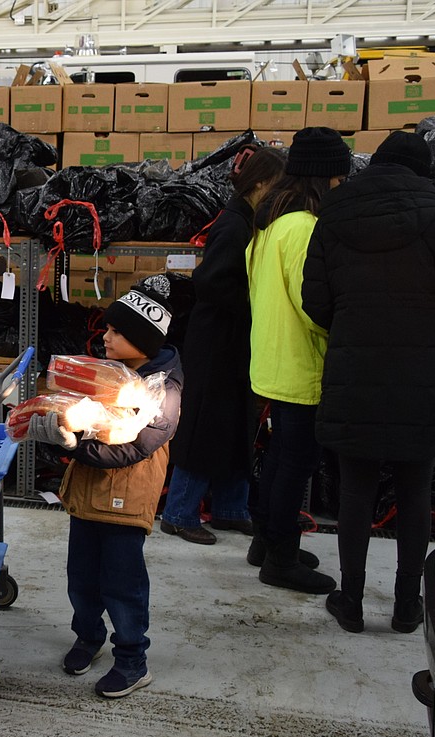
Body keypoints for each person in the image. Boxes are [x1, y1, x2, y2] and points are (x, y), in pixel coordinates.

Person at [302, 131, 435, 633]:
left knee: (356, 490)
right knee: (415, 487)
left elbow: (313, 298)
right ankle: (407, 605)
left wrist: (351, 326)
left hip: (355, 368)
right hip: (422, 370)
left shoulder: (334, 213)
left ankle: (352, 601)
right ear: (421, 171)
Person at [24, 277, 183, 698]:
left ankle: (133, 660)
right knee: (81, 576)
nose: (105, 336)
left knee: (123, 583)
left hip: (126, 499)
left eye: (116, 331)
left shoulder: (163, 392)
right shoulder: (112, 373)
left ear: (142, 340)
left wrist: (73, 444)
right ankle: (88, 636)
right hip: (88, 495)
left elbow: (133, 451)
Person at [160, 145, 286, 546]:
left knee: (236, 426)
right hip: (216, 343)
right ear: (262, 183)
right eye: (278, 187)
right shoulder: (234, 226)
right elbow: (210, 283)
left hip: (234, 343)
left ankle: (232, 509)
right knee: (204, 429)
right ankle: (179, 514)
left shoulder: (250, 221)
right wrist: (256, 300)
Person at [246, 126, 351, 595]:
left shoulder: (269, 226)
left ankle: (267, 543)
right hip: (300, 364)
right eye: (339, 179)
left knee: (279, 459)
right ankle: (281, 560)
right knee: (295, 462)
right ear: (325, 178)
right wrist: (339, 332)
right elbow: (312, 305)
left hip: (270, 360)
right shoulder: (305, 229)